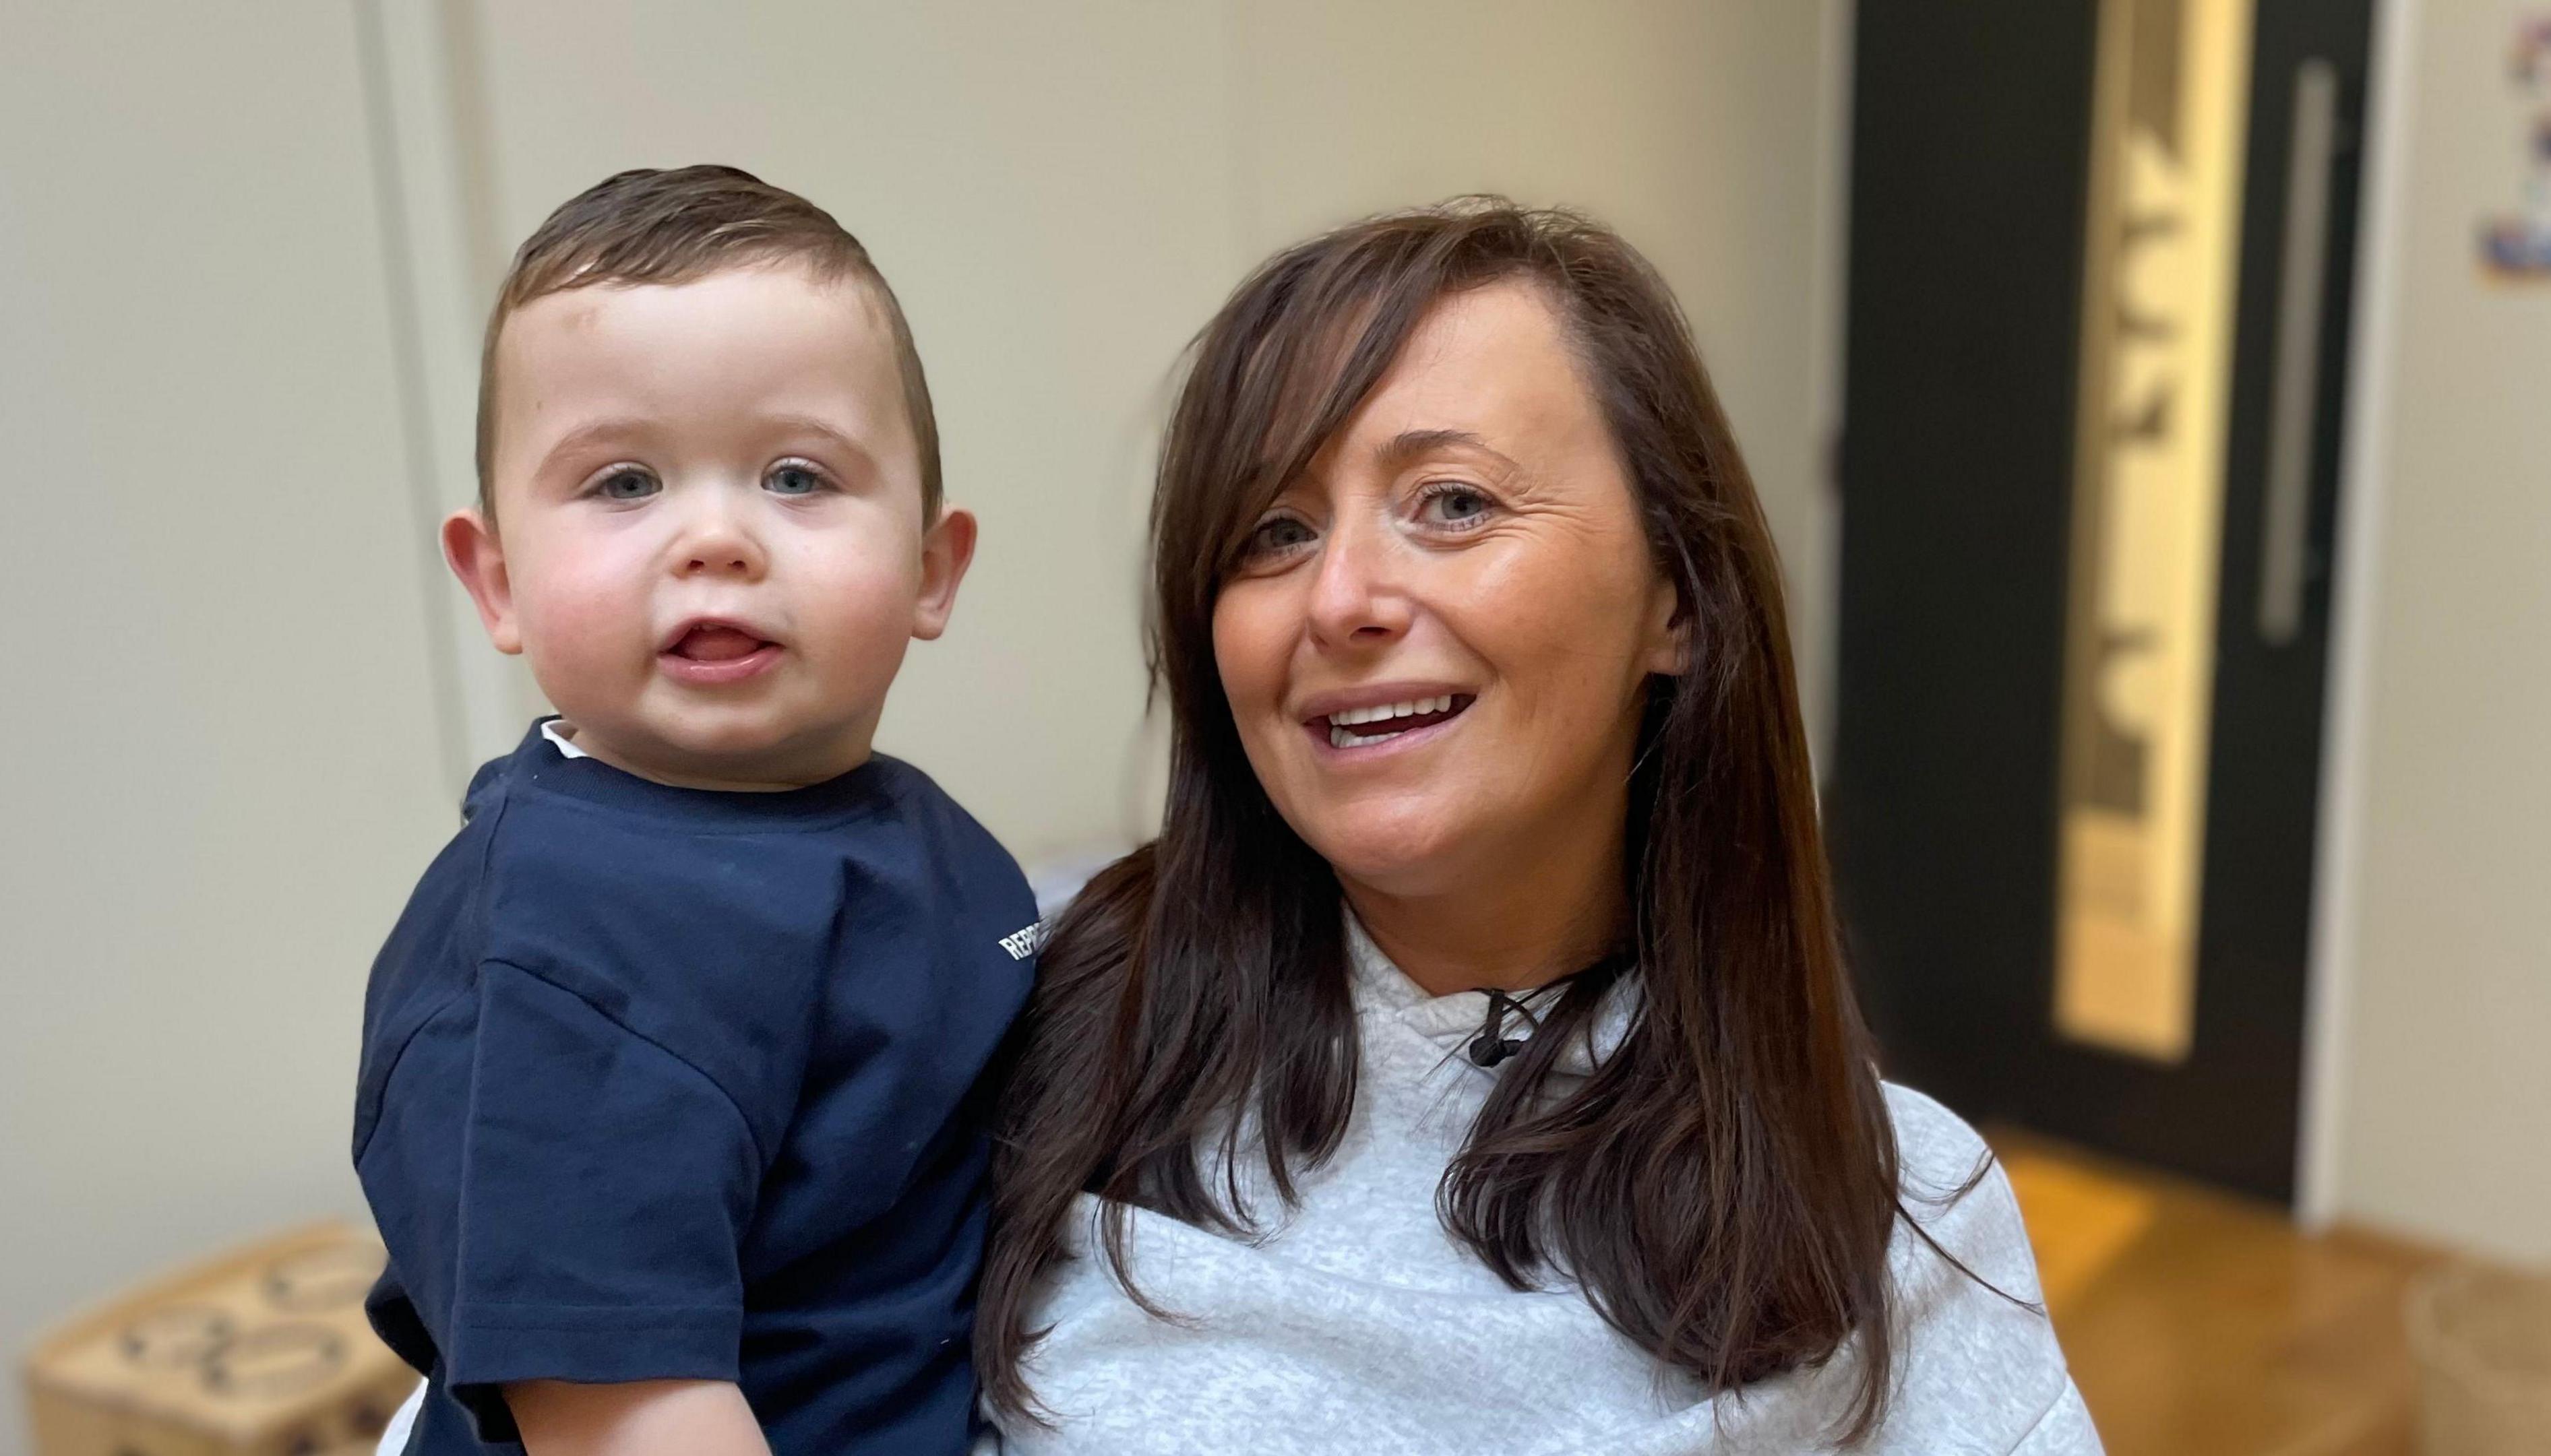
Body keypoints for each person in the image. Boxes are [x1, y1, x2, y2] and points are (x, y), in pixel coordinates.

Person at [974, 199, 2102, 1454]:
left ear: (1675, 599)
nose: (1339, 598)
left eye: (1452, 503)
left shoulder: (1900, 1218)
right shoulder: (1029, 1029)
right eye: (1274, 533)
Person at [352, 165, 1040, 1456]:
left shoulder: (915, 834)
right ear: (497, 581)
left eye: (796, 474)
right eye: (623, 483)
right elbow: (620, 1413)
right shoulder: (560, 965)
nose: (715, 537)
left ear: (930, 571)